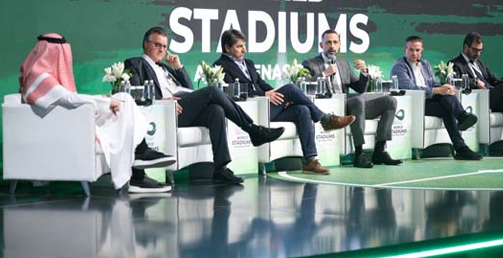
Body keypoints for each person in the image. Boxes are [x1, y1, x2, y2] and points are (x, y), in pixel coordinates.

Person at [124, 26, 285, 185]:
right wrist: (162, 101)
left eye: (164, 46)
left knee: (216, 110)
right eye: (157, 45)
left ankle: (220, 168)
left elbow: (189, 89)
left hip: (183, 108)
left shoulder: (166, 68)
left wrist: (179, 68)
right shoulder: (135, 63)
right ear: (146, 44)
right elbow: (137, 94)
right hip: (165, 112)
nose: (161, 50)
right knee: (213, 91)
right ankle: (253, 130)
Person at [19, 33, 175, 193]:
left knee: (125, 99)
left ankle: (140, 161)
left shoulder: (42, 77)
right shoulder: (40, 77)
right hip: (65, 130)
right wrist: (106, 102)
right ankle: (139, 163)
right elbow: (69, 98)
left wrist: (104, 100)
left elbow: (68, 100)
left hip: (70, 122)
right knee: (121, 104)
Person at [213, 28, 356, 175]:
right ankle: (325, 119)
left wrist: (276, 95)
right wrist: (264, 94)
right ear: (227, 48)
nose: (244, 50)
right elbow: (232, 92)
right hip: (248, 112)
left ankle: (310, 160)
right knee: (291, 89)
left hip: (266, 108)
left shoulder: (248, 63)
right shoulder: (220, 66)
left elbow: (262, 84)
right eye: (239, 46)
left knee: (302, 110)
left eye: (244, 45)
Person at [303, 29, 401, 169]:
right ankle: (359, 154)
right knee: (358, 101)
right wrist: (324, 74)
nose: (332, 46)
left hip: (350, 106)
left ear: (339, 45)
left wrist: (364, 73)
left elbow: (359, 88)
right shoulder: (310, 63)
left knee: (390, 101)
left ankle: (379, 151)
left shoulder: (343, 64)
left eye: (335, 42)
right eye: (328, 42)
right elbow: (304, 85)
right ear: (321, 45)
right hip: (329, 108)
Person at [390, 35, 482, 160]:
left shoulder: (425, 64)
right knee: (444, 101)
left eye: (417, 50)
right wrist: (437, 90)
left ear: (422, 51)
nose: (414, 53)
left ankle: (461, 147)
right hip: (414, 105)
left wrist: (445, 88)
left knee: (446, 103)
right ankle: (462, 119)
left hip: (429, 102)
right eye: (411, 50)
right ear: (405, 50)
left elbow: (434, 83)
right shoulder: (399, 66)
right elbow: (410, 88)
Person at [450, 32, 503, 117]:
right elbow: (456, 83)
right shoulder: (455, 64)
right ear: (466, 47)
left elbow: (494, 80)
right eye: (475, 50)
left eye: (480, 50)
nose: (478, 54)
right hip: (480, 97)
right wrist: (475, 82)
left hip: (492, 95)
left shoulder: (480, 63)